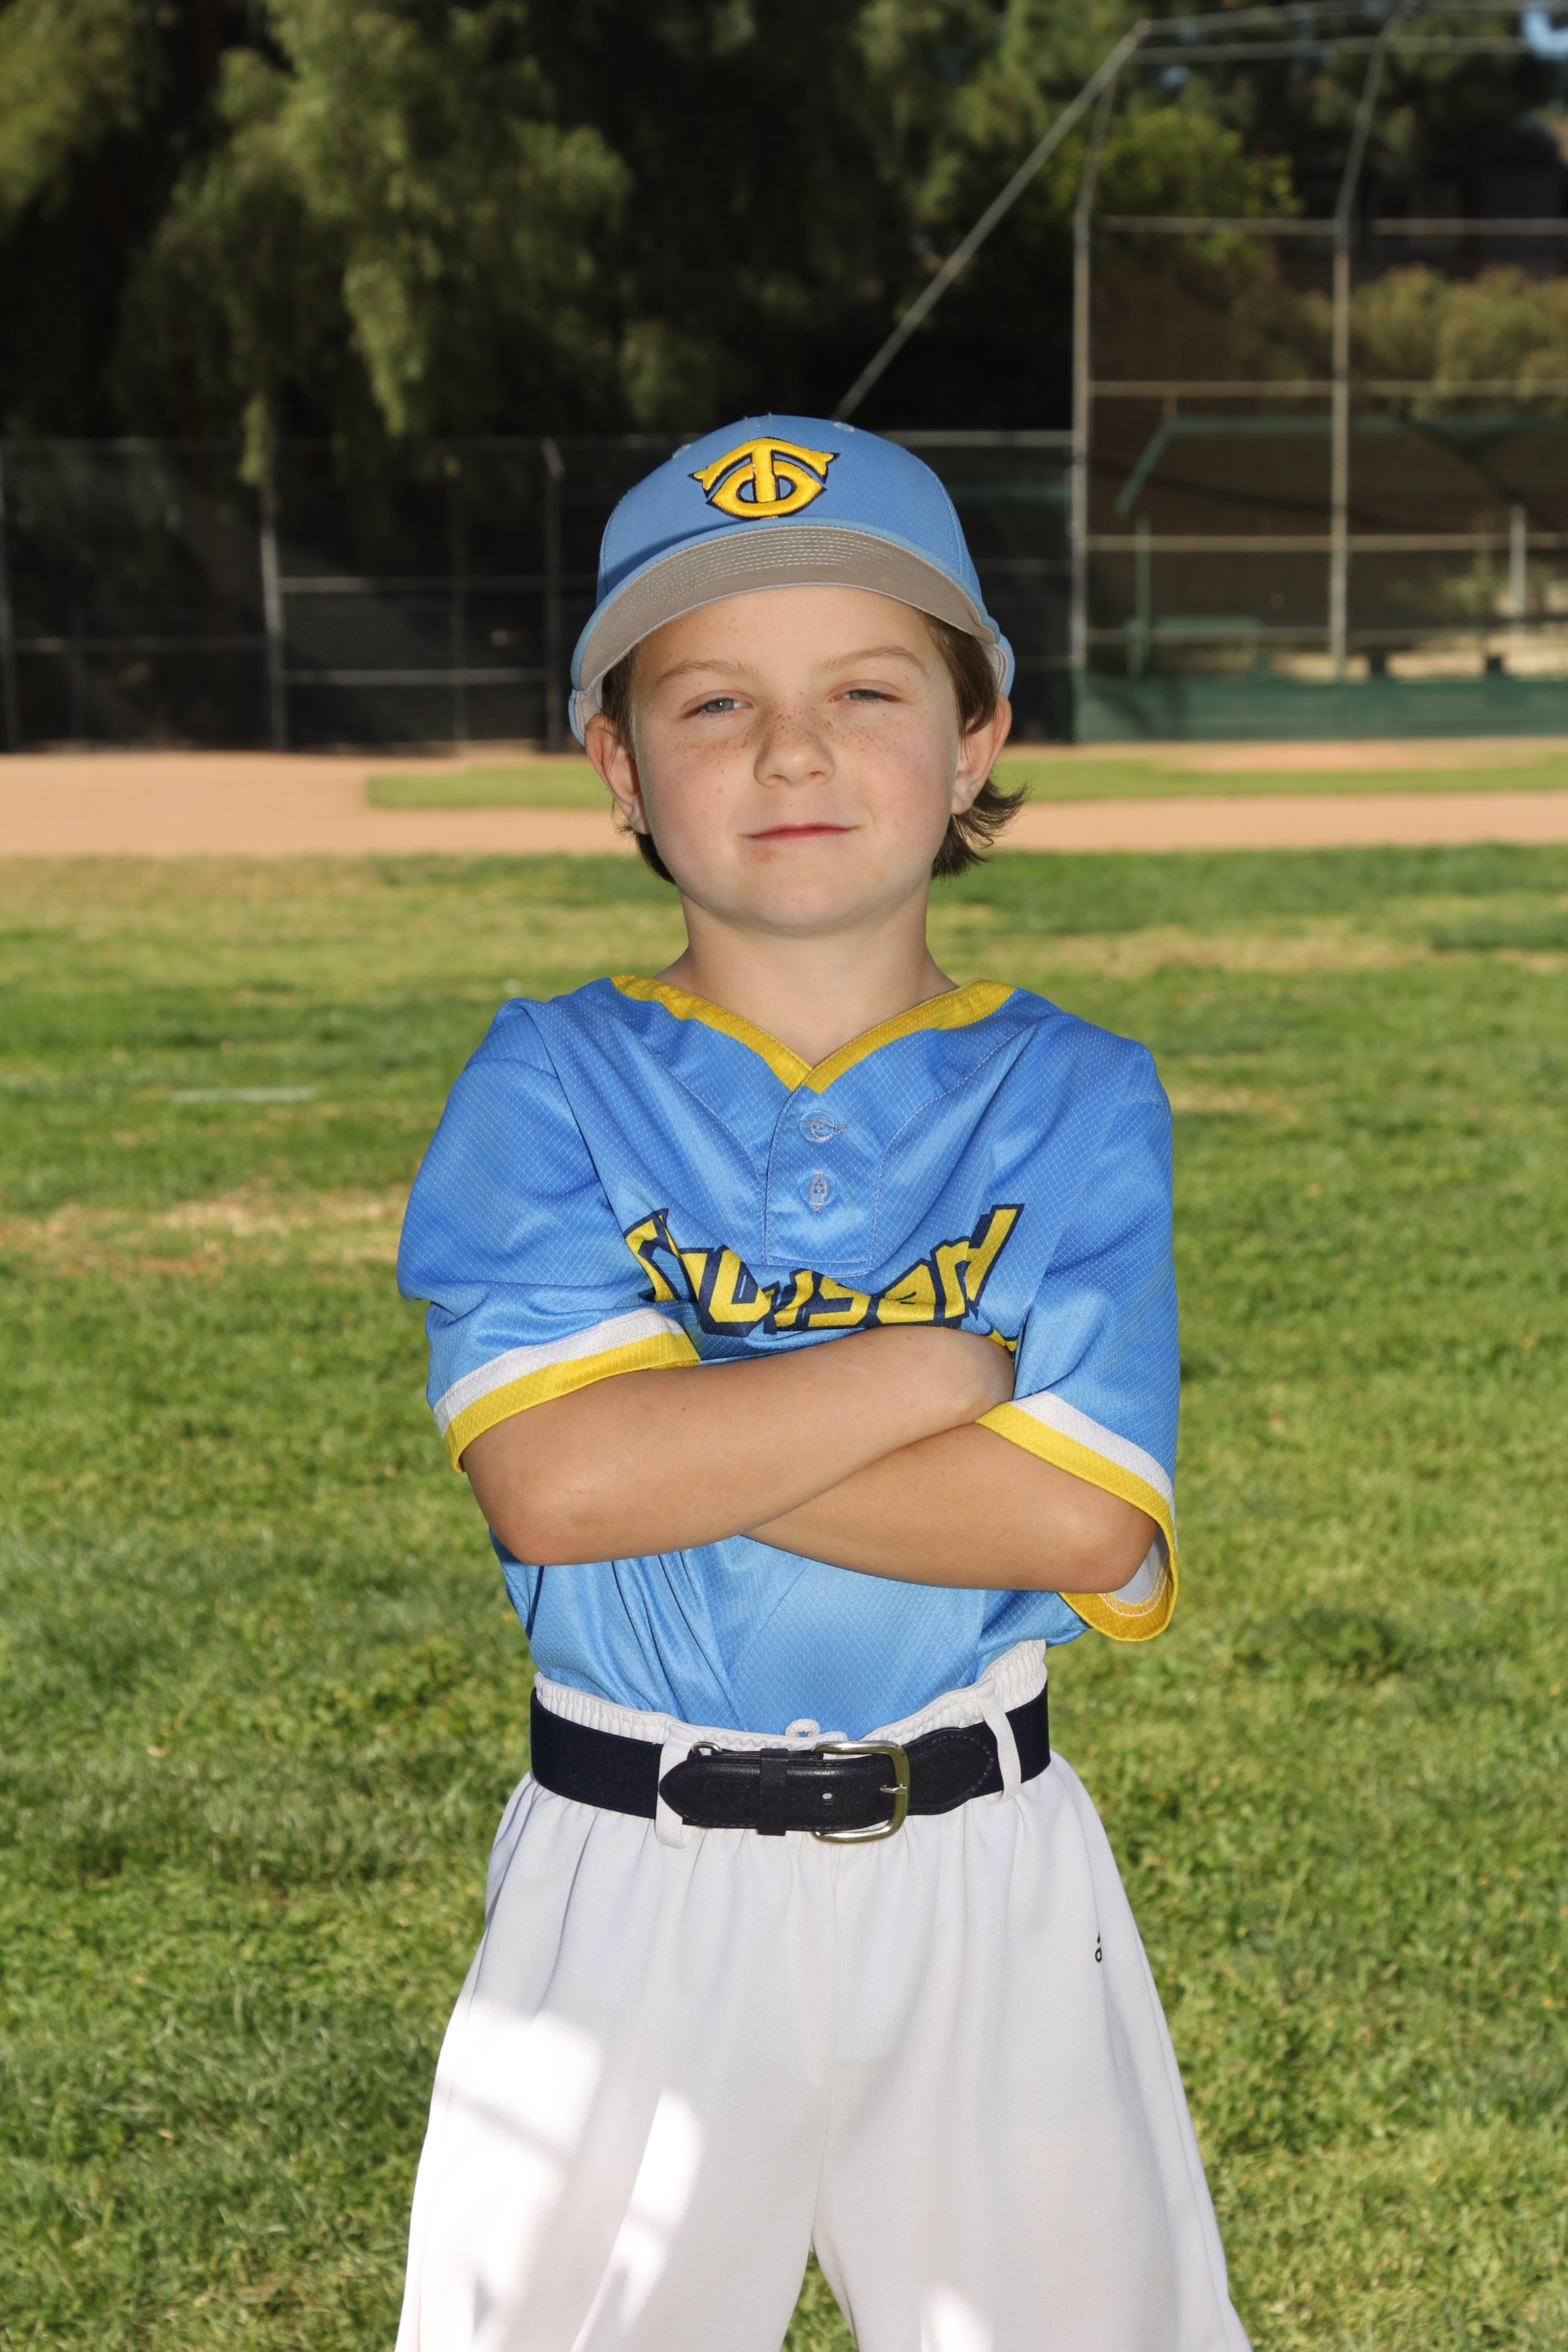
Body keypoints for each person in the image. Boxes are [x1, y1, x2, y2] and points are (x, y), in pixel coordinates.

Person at [394, 419, 1250, 2352]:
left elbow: (1072, 1518)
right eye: (714, 703)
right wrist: (942, 1363)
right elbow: (558, 1490)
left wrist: (683, 1421)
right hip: (628, 1878)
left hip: (988, 1875)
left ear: (977, 738)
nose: (793, 752)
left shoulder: (1075, 1092)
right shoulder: (547, 1078)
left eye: (867, 691)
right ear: (619, 765)